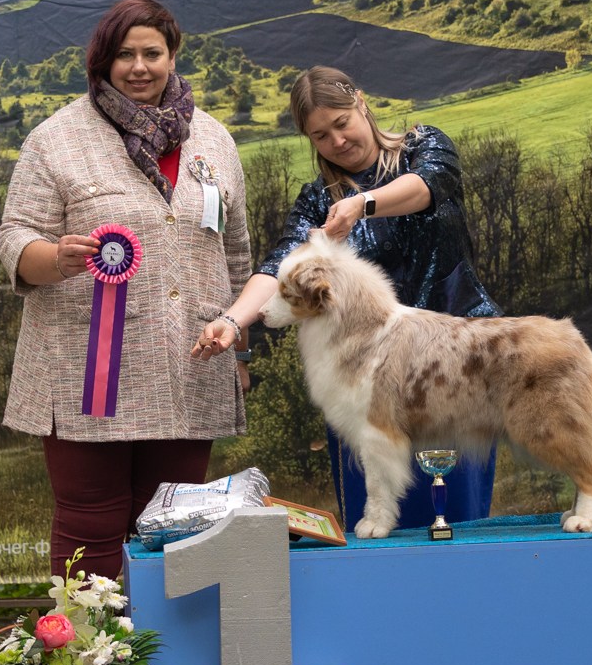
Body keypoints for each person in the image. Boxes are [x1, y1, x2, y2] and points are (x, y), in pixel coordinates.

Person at [0, 0, 250, 578]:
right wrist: (54, 258)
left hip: (193, 363)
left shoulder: (214, 140)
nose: (139, 67)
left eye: (152, 53)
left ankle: (165, 661)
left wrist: (240, 348)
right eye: (124, 55)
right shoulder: (56, 138)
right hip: (86, 370)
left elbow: (236, 250)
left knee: (174, 528)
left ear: (173, 56)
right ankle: (89, 659)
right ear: (101, 62)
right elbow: (14, 239)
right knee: (91, 522)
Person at [197, 65, 498, 531]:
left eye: (341, 123)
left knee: (456, 522)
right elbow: (280, 267)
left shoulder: (424, 146)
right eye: (320, 136)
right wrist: (234, 322)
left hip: (453, 367)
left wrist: (363, 203)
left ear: (361, 103)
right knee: (374, 524)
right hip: (364, 381)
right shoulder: (317, 201)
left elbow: (427, 188)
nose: (336, 141)